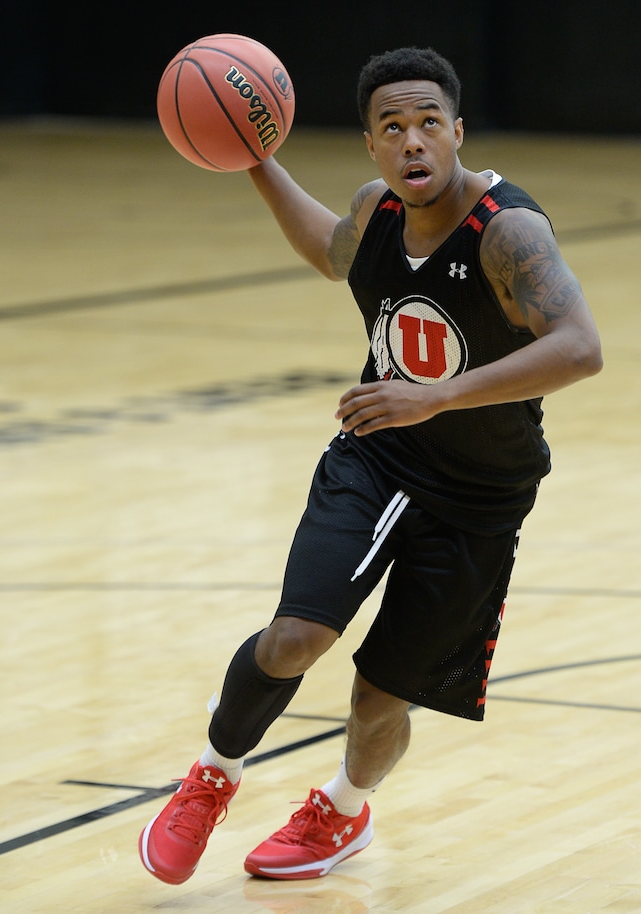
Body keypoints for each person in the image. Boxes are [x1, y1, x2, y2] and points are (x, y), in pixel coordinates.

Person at [138, 46, 603, 885]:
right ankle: (214, 771)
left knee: (382, 694)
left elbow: (580, 348)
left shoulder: (507, 232)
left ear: (458, 132)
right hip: (378, 458)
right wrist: (256, 160)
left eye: (430, 123)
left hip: (481, 494)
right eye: (394, 128)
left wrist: (437, 395)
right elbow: (334, 253)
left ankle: (342, 813)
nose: (414, 141)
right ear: (372, 145)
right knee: (296, 638)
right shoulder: (376, 212)